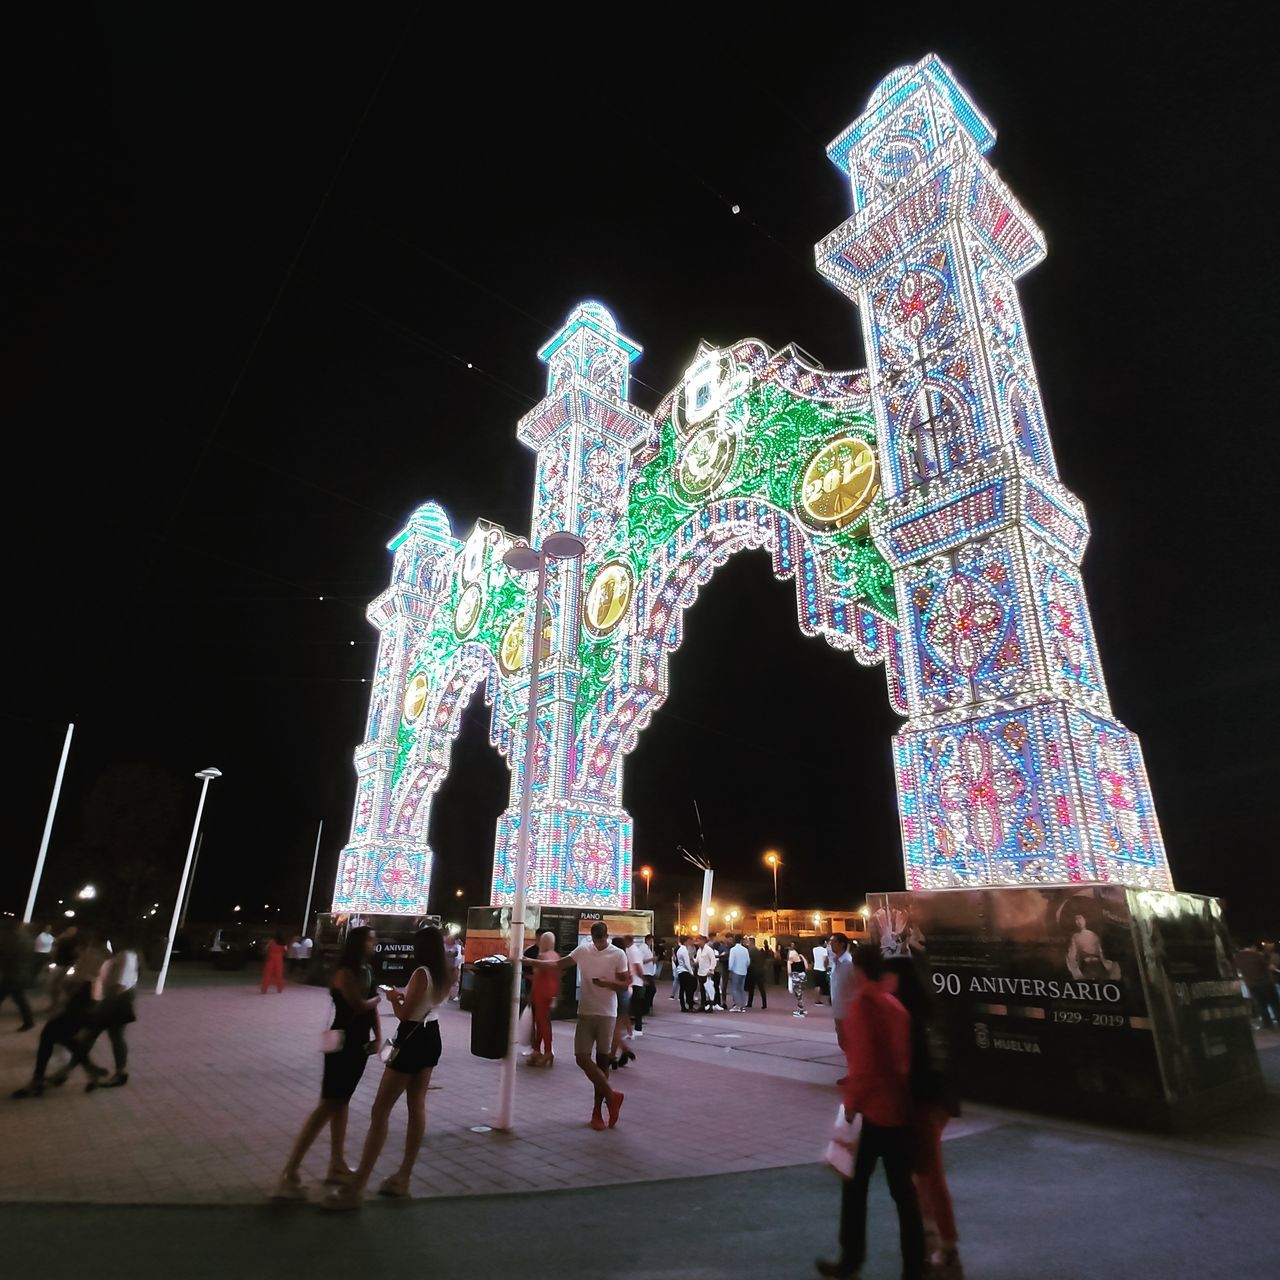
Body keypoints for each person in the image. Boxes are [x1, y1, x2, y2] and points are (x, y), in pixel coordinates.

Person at [817, 944, 925, 1280]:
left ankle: (851, 1258)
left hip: (871, 1113)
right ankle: (914, 1265)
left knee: (855, 1185)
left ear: (858, 969)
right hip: (898, 1110)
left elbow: (862, 1064)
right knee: (903, 1192)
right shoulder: (896, 1006)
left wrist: (850, 1108)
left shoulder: (863, 1005)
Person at [323, 926, 448, 1209]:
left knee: (380, 1110)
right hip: (432, 1036)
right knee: (417, 1107)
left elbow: (405, 1016)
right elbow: (426, 1004)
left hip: (412, 1039)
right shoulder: (443, 974)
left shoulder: (420, 973)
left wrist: (393, 1000)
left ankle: (356, 1188)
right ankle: (403, 1177)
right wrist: (406, 1000)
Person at [274, 926, 381, 1201]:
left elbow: (369, 1009)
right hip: (341, 1041)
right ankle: (291, 1171)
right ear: (358, 944)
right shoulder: (345, 973)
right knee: (327, 1105)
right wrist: (380, 998)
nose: (374, 943)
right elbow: (359, 1005)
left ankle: (336, 1163)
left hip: (358, 1042)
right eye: (370, 939)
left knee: (341, 1102)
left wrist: (378, 1037)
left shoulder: (365, 969)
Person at [887, 956, 964, 1280]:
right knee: (923, 1174)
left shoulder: (908, 1018)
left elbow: (911, 1067)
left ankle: (946, 1244)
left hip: (923, 1104)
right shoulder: (932, 1011)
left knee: (930, 1174)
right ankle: (930, 1233)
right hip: (940, 1101)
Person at [537, 921, 628, 1130]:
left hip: (607, 1013)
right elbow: (558, 965)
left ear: (607, 936)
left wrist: (608, 984)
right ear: (592, 937)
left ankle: (597, 1112)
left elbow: (625, 984)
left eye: (602, 940)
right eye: (596, 941)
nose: (599, 944)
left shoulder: (618, 954)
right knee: (581, 1057)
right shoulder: (583, 950)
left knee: (602, 1061)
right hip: (586, 1011)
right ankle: (612, 1096)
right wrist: (528, 960)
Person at [13, 928, 109, 1097]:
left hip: (80, 1001)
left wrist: (63, 1002)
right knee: (63, 1037)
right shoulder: (108, 955)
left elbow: (79, 982)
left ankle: (38, 1080)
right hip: (92, 1003)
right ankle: (90, 1069)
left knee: (49, 1035)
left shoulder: (92, 954)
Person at [68, 930, 141, 1090]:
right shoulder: (121, 954)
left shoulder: (126, 956)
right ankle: (113, 1073)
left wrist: (102, 1006)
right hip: (113, 1001)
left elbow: (119, 985)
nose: (113, 938)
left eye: (116, 936)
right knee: (103, 1037)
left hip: (115, 1002)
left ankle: (70, 1072)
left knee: (94, 1036)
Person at [526, 931, 559, 1067]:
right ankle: (538, 1050)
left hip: (540, 991)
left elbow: (537, 977)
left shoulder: (541, 956)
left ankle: (546, 1052)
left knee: (541, 1023)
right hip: (551, 991)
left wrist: (530, 993)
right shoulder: (555, 956)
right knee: (544, 1021)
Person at [608, 936, 638, 1069]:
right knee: (617, 1027)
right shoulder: (624, 958)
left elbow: (619, 979)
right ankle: (617, 1054)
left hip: (617, 994)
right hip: (625, 995)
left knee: (612, 1028)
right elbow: (629, 978)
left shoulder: (615, 959)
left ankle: (614, 1056)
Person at [0, 919, 35, 1030]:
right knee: (19, 998)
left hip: (14, 974)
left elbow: (8, 956)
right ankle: (29, 1021)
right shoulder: (28, 939)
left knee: (18, 998)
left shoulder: (15, 940)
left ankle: (29, 1021)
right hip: (19, 973)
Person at [829, 934, 855, 1050]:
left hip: (847, 1008)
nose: (830, 944)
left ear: (842, 944)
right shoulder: (836, 962)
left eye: (833, 942)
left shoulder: (849, 963)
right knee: (842, 1038)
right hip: (837, 1007)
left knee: (848, 1039)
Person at [632, 934, 656, 1033]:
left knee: (651, 990)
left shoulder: (648, 949)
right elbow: (641, 961)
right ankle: (644, 1008)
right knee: (650, 990)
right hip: (645, 972)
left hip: (649, 972)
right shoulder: (642, 948)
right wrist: (651, 959)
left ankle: (646, 1007)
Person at [697, 933, 719, 1012]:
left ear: (703, 941)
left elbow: (713, 960)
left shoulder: (709, 949)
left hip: (707, 973)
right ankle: (703, 1004)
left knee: (709, 989)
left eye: (698, 940)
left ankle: (711, 1005)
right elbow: (698, 960)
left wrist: (711, 969)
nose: (697, 942)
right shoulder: (699, 950)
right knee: (702, 990)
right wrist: (694, 962)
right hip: (701, 972)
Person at [727, 934, 749, 1011]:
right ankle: (743, 1006)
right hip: (744, 971)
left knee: (735, 989)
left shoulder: (733, 950)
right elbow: (748, 961)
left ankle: (737, 1005)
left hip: (736, 971)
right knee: (741, 989)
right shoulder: (745, 950)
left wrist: (730, 969)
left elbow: (731, 961)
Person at [675, 936, 697, 1012]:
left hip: (680, 971)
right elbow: (687, 963)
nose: (691, 942)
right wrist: (691, 972)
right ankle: (690, 1005)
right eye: (689, 940)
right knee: (690, 989)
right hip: (685, 971)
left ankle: (683, 1006)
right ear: (686, 941)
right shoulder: (684, 950)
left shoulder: (679, 949)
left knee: (682, 989)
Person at [746, 937, 769, 1010]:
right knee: (761, 988)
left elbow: (748, 961)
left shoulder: (750, 950)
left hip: (752, 971)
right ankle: (764, 1003)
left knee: (751, 988)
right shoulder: (758, 950)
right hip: (760, 970)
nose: (748, 943)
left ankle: (750, 1003)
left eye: (748, 942)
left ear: (751, 942)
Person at [787, 944, 809, 1017]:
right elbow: (806, 967)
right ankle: (801, 1009)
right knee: (801, 995)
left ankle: (800, 1011)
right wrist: (802, 957)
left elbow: (789, 972)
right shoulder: (801, 960)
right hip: (803, 978)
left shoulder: (791, 962)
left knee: (798, 995)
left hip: (796, 979)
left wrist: (788, 963)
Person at [443, 930, 462, 1002]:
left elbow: (457, 954)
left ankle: (450, 995)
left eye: (451, 938)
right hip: (445, 966)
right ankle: (445, 994)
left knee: (452, 981)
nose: (449, 939)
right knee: (446, 981)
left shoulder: (456, 946)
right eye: (449, 938)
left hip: (453, 967)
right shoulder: (443, 946)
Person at [812, 937, 831, 1004]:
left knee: (817, 985)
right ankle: (818, 1000)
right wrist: (826, 967)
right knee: (821, 985)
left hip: (815, 968)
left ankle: (816, 999)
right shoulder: (824, 950)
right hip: (822, 969)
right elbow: (825, 960)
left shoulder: (814, 949)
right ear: (825, 942)